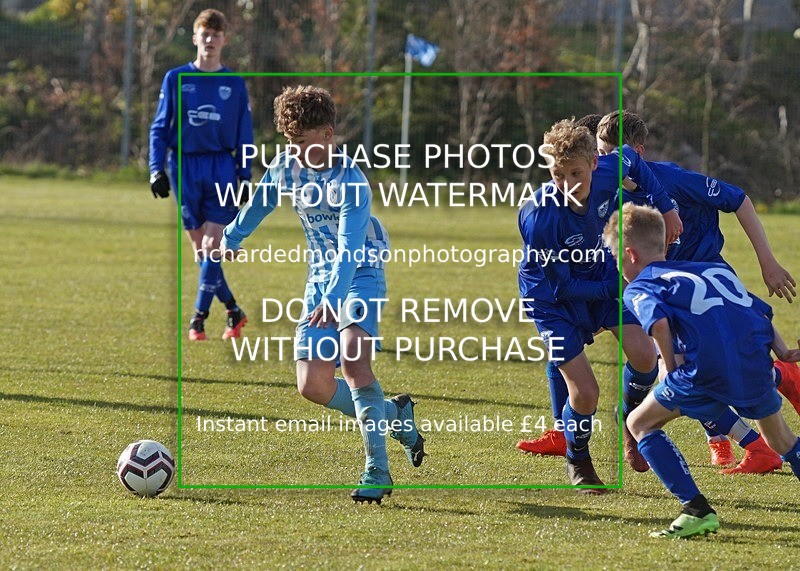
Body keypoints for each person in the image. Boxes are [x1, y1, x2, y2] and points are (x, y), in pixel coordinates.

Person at [220, 85, 425, 503]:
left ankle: (377, 470)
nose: (293, 152)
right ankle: (395, 414)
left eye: (301, 143)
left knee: (353, 362)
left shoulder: (352, 183)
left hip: (361, 269)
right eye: (289, 142)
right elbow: (261, 201)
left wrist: (334, 299)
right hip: (321, 278)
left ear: (328, 134)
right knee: (312, 384)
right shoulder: (286, 166)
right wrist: (232, 236)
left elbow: (350, 247)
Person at [596, 109, 799, 473]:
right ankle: (747, 437)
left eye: (612, 154)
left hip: (709, 281)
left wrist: (767, 262)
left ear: (637, 153)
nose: (605, 163)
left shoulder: (672, 179)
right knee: (692, 372)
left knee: (692, 371)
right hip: (669, 291)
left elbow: (738, 199)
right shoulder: (608, 195)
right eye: (600, 154)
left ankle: (776, 391)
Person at [603, 202, 800, 538]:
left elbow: (659, 323)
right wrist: (783, 352)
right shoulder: (710, 270)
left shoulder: (640, 286)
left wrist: (668, 368)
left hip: (704, 371)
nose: (617, 264)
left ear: (630, 255)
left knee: (639, 423)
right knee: (782, 440)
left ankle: (696, 510)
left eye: (616, 256)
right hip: (755, 362)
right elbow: (757, 309)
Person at [517, 119, 682, 488]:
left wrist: (666, 208)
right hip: (550, 300)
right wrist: (617, 285)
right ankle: (578, 457)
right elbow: (562, 287)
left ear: (594, 163)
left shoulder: (610, 168)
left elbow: (633, 160)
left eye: (576, 173)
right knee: (585, 393)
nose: (567, 184)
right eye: (558, 175)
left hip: (598, 274)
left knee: (645, 356)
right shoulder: (539, 217)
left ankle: (631, 423)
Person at [149, 8, 252, 341]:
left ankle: (198, 318)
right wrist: (155, 168)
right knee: (201, 252)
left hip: (221, 167)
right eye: (204, 34)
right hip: (184, 167)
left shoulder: (234, 83)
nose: (209, 40)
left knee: (212, 245)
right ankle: (233, 310)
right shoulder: (176, 78)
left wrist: (245, 175)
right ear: (195, 38)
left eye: (215, 35)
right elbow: (159, 127)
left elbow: (245, 134)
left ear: (224, 40)